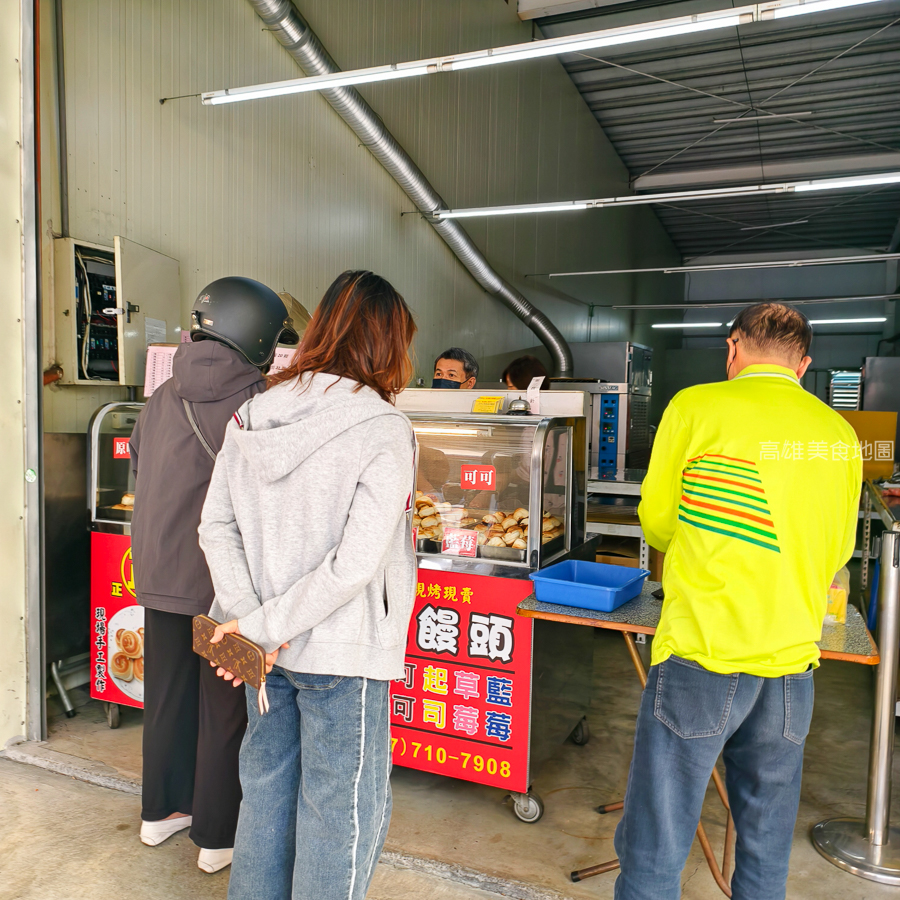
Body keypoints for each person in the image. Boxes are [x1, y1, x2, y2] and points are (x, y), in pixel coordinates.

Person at [615, 302, 861, 900]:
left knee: (658, 837)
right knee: (765, 837)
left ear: (732, 349)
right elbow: (838, 552)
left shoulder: (697, 408)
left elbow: (658, 523)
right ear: (803, 366)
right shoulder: (837, 435)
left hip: (703, 652)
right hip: (791, 666)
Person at [198, 270, 417, 900]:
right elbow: (355, 564)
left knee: (265, 795)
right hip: (342, 653)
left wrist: (251, 626)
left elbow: (216, 527)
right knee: (341, 817)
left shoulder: (251, 413)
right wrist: (263, 629)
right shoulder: (381, 426)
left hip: (264, 654)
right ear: (386, 344)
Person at [130, 277, 299, 873]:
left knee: (167, 697)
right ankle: (217, 836)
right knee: (224, 707)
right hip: (223, 581)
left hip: (157, 571)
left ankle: (160, 814)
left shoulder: (159, 396)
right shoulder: (260, 401)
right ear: (258, 336)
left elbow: (140, 471)